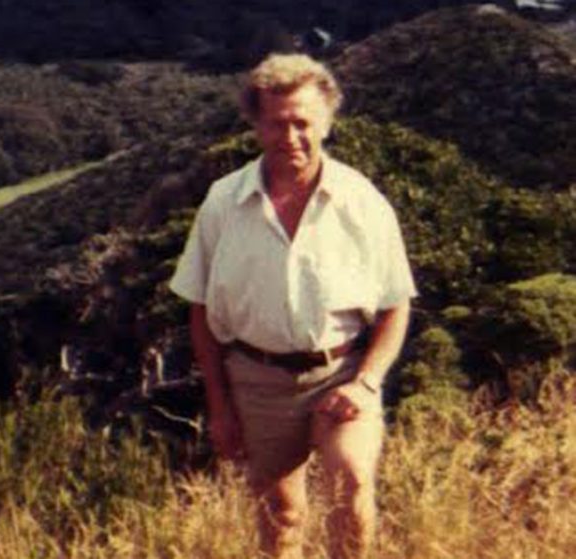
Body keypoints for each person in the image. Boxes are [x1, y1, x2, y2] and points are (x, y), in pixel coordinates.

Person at [169, 53, 416, 559]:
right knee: (282, 518)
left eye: (303, 122)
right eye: (276, 123)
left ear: (326, 122)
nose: (291, 137)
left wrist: (366, 381)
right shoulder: (223, 202)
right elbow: (198, 308)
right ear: (256, 125)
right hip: (257, 381)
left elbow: (396, 304)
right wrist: (220, 408)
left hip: (341, 373)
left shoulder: (361, 201)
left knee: (350, 485)